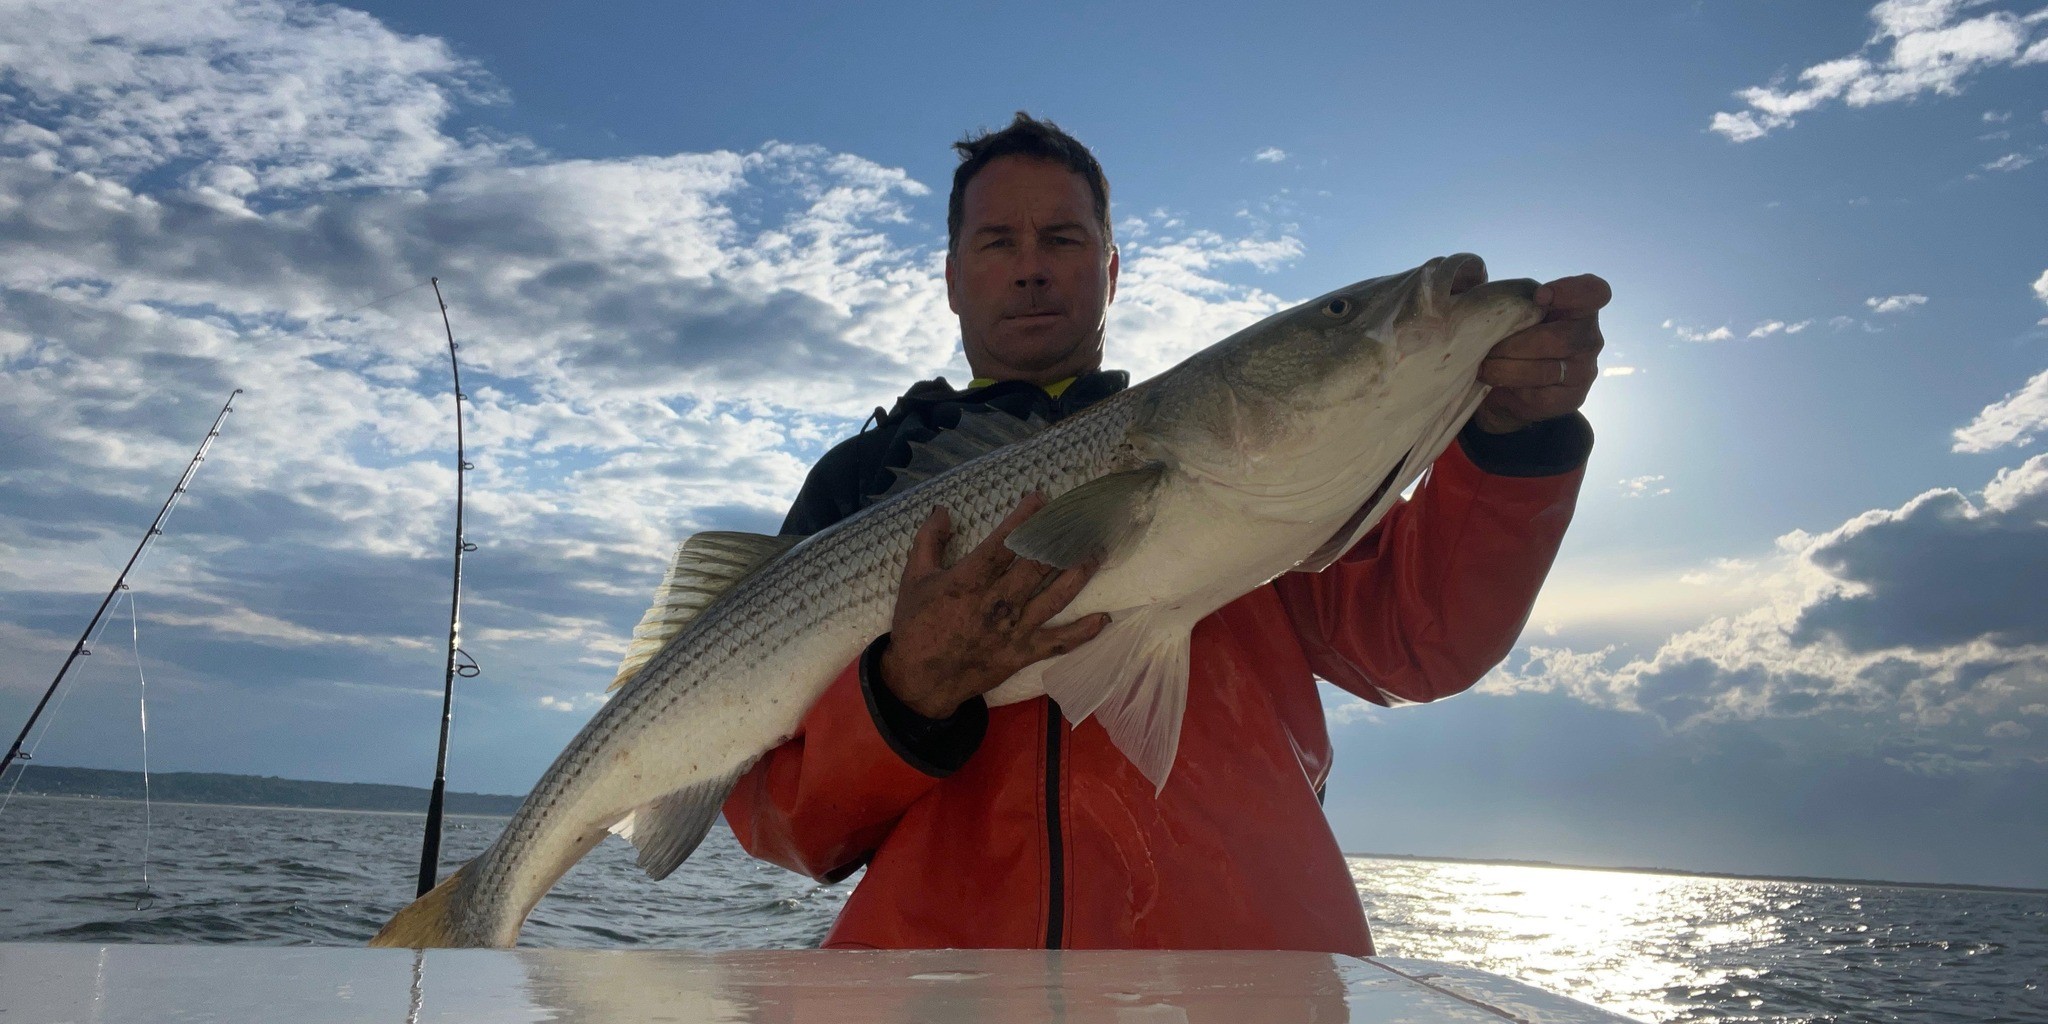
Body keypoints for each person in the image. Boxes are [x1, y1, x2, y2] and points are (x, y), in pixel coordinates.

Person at [722, 113, 1605, 955]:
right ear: (952, 277)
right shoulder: (862, 487)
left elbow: (1421, 640)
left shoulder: (1262, 454)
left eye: (1062, 239)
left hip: (1249, 974)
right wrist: (903, 694)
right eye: (997, 243)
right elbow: (781, 817)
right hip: (939, 985)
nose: (1031, 269)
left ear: (1110, 271)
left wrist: (1513, 443)